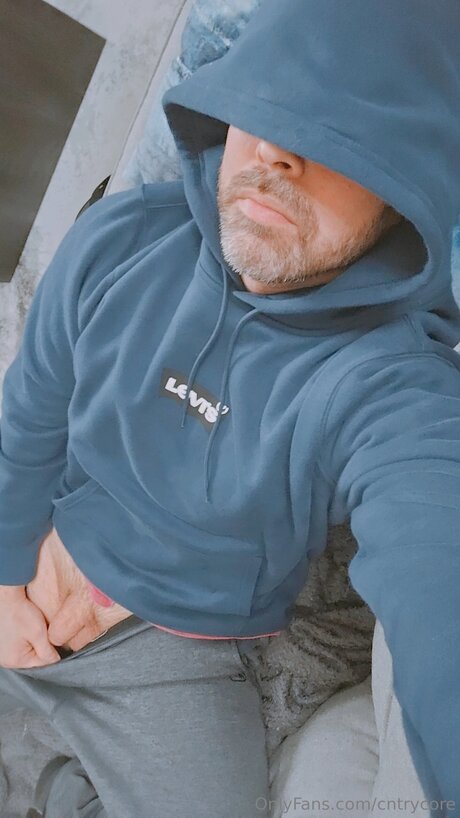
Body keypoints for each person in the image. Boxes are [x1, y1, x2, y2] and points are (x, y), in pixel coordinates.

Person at [0, 0, 460, 814]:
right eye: (266, 100)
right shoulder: (118, 240)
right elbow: (27, 418)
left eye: (339, 136)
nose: (277, 149)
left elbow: (435, 564)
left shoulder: (389, 386)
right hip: (42, 561)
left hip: (176, 650)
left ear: (404, 192)